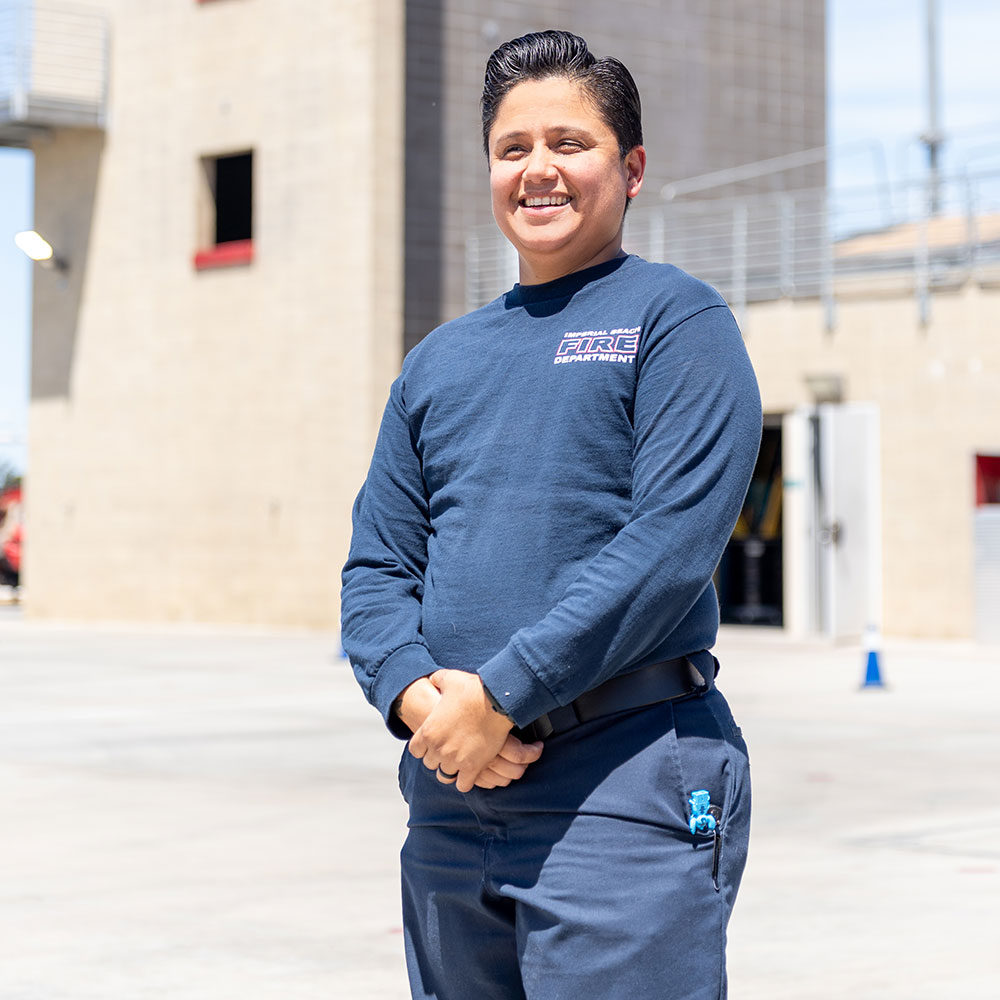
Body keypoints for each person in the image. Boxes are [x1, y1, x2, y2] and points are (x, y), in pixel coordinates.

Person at [341, 30, 762, 1000]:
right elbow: (376, 571)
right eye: (511, 147)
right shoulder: (437, 362)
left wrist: (496, 698)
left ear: (631, 167)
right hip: (450, 800)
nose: (538, 170)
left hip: (624, 783)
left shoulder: (674, 322)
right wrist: (420, 702)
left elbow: (666, 549)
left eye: (569, 142)